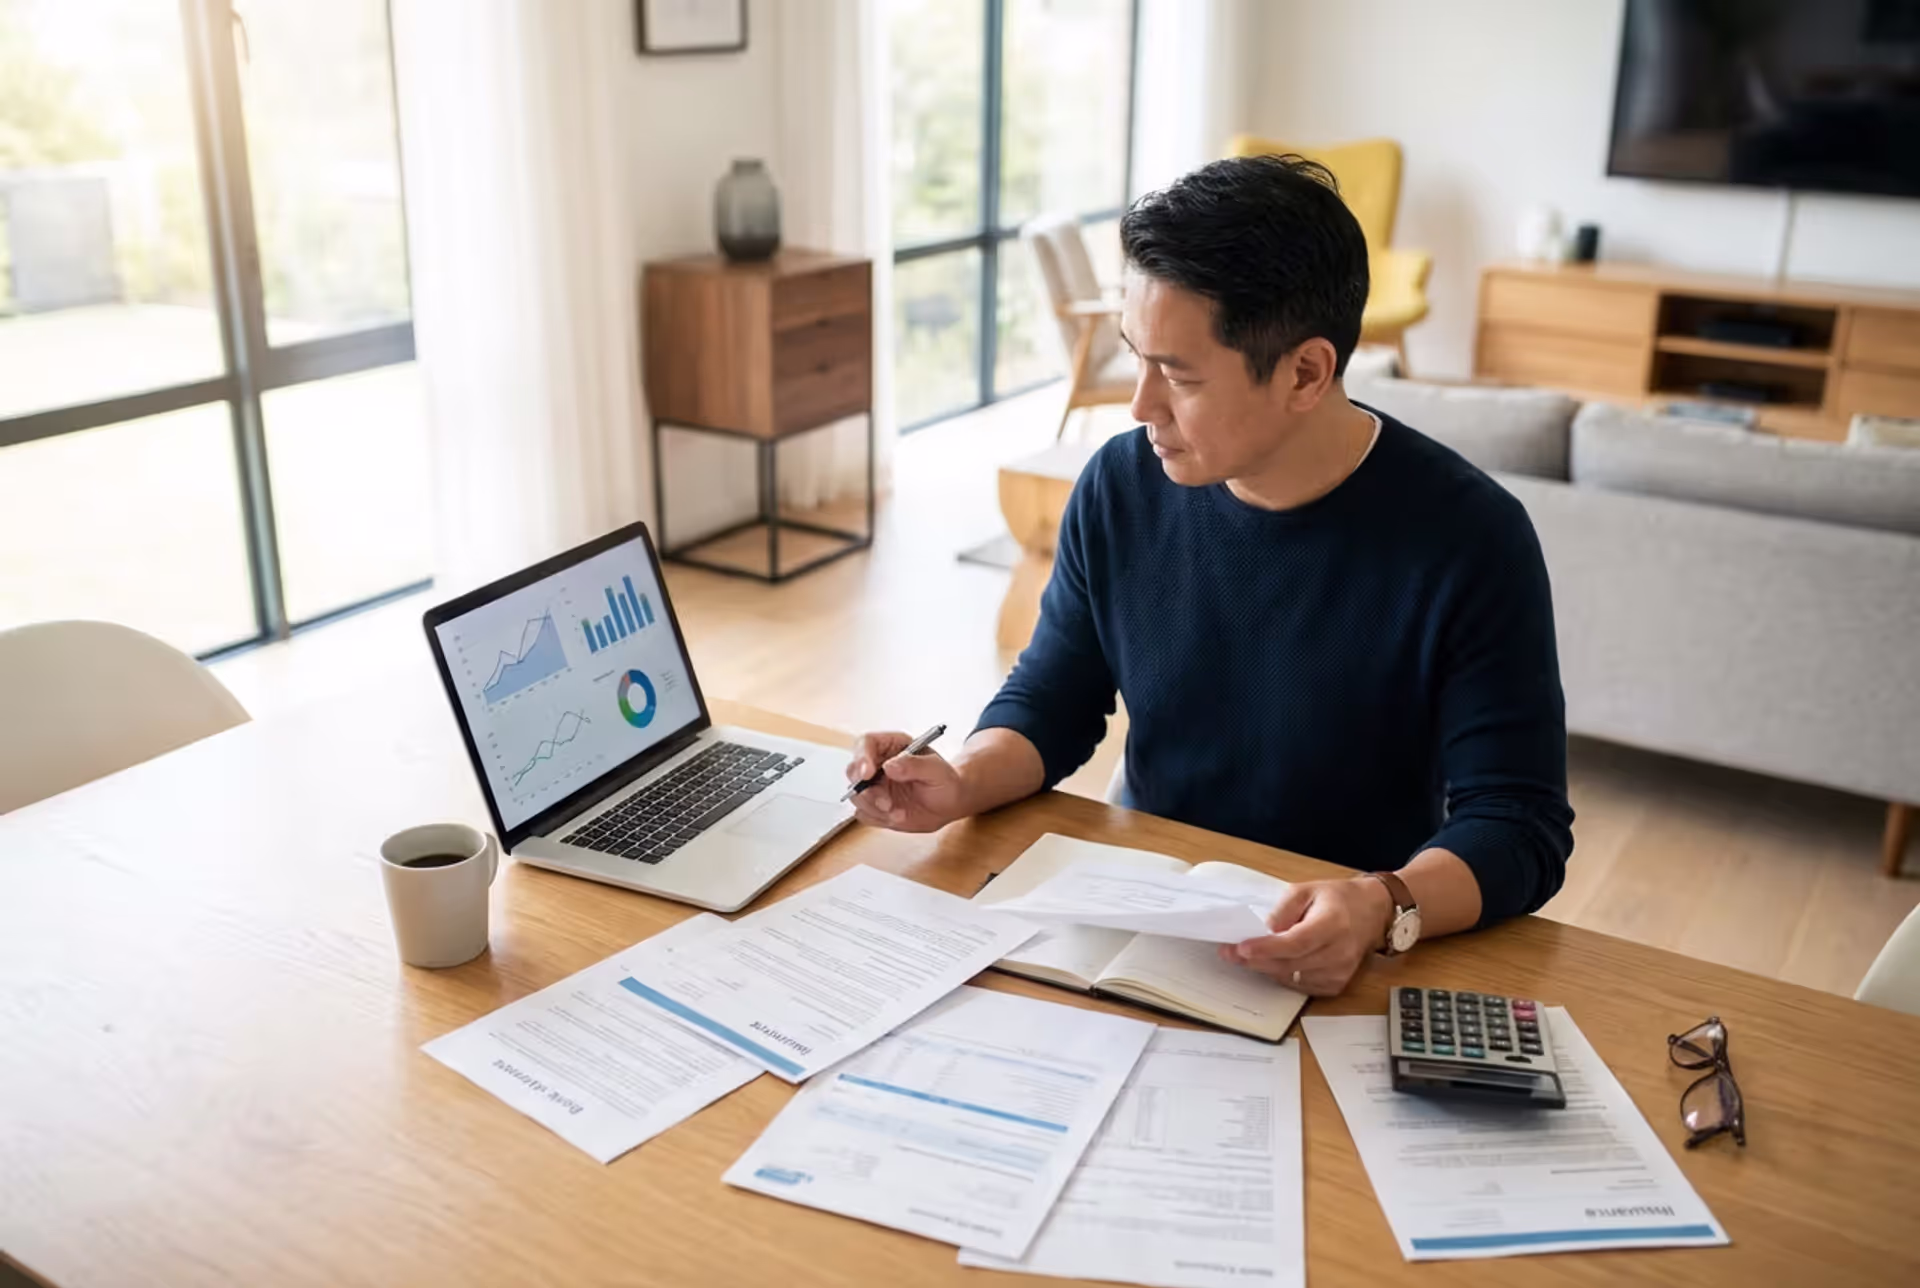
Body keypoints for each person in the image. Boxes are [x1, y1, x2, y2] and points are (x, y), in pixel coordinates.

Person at [847, 154, 1574, 996]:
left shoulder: (1469, 537)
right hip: (1147, 907)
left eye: (1180, 375)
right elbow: (1053, 699)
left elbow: (1518, 826)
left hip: (1334, 941)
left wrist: (1385, 903)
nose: (1139, 406)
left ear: (1306, 372)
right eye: (1136, 358)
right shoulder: (1121, 486)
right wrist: (963, 780)